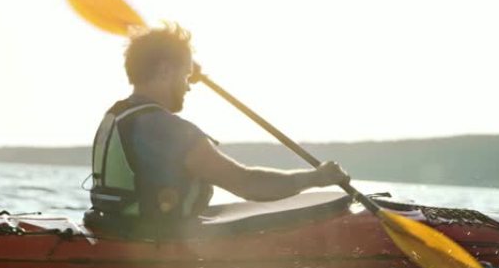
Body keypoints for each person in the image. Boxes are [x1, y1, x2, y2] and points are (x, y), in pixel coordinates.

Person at [84, 23, 349, 238]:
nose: (188, 87)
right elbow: (247, 183)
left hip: (113, 229)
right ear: (165, 70)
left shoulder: (117, 114)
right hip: (157, 245)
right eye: (186, 77)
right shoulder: (168, 129)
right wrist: (316, 178)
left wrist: (183, 65)